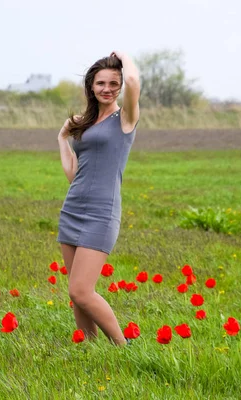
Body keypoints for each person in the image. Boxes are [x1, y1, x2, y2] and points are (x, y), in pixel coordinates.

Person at [56, 51, 140, 346]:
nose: (107, 88)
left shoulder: (125, 119)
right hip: (73, 209)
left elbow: (132, 78)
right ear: (91, 86)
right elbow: (73, 174)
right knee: (75, 294)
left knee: (82, 290)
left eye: (113, 84)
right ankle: (91, 352)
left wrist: (123, 56)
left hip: (102, 214)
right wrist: (62, 139)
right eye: (101, 82)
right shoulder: (88, 123)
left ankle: (123, 347)